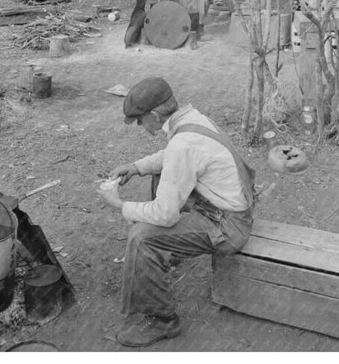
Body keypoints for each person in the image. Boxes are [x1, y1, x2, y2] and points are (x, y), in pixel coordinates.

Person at [97, 76, 256, 348]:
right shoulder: (191, 119)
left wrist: (120, 205)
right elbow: (171, 155)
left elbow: (165, 214)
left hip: (229, 227)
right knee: (159, 178)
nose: (139, 125)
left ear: (156, 114)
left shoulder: (184, 144)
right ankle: (167, 254)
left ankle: (162, 321)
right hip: (225, 209)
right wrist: (136, 166)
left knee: (142, 238)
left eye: (140, 119)